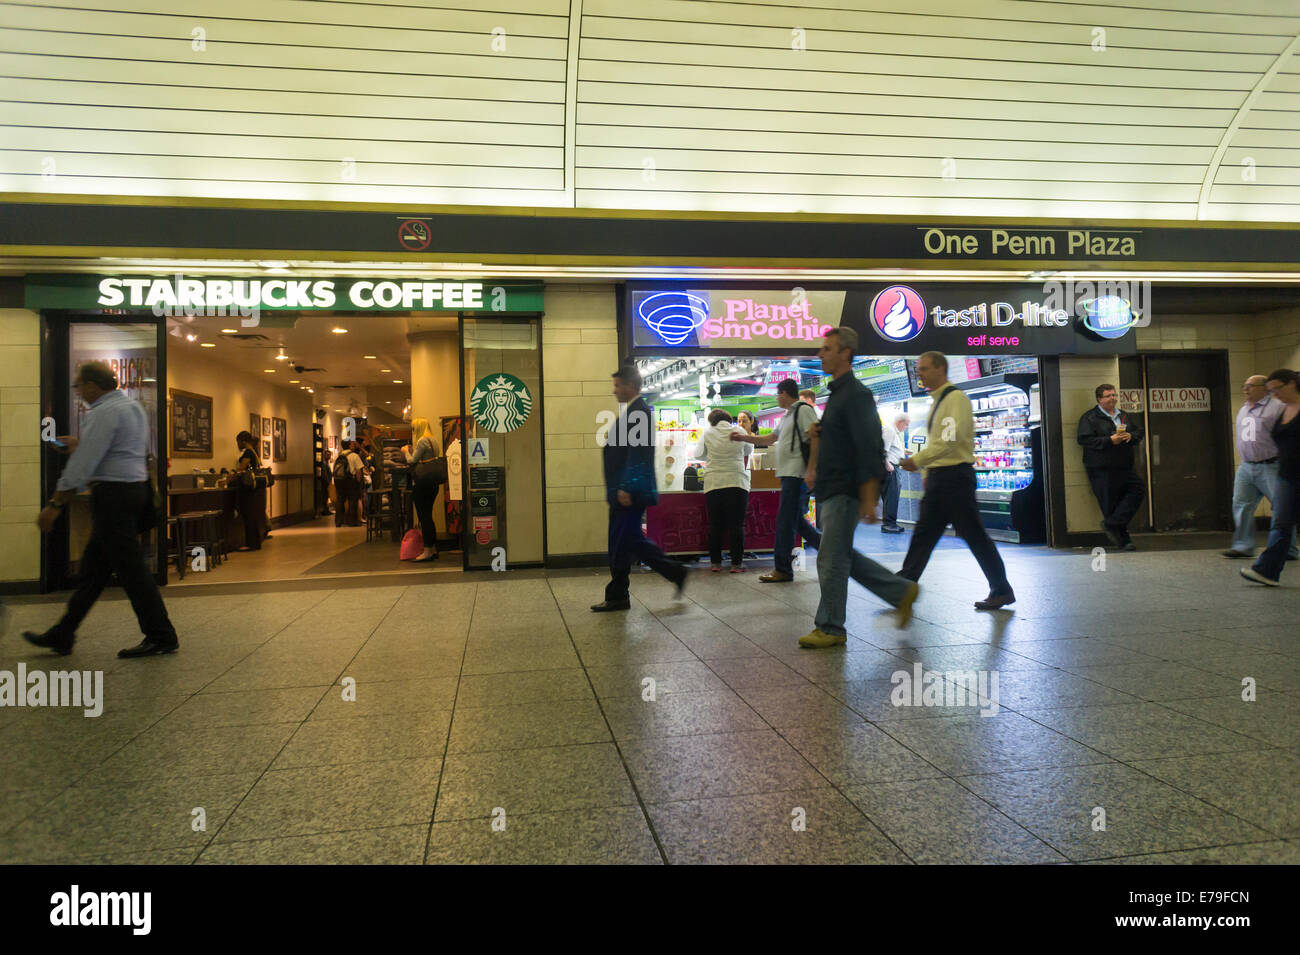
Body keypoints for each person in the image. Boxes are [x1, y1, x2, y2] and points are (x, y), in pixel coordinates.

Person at [24, 360, 179, 658]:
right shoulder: (131, 407)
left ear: (93, 386)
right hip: (134, 491)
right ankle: (63, 633)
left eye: (79, 386)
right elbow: (115, 449)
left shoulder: (104, 412)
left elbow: (84, 465)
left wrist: (55, 504)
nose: (79, 391)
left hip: (114, 496)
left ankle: (161, 635)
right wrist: (80, 445)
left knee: (132, 571)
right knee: (94, 571)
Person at [797, 328, 918, 648]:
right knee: (839, 555)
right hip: (831, 487)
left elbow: (869, 448)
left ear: (845, 353)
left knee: (831, 558)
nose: (820, 354)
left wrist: (868, 498)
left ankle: (831, 626)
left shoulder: (857, 395)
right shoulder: (837, 395)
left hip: (846, 489)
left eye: (827, 348)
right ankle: (901, 591)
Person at [899, 351, 1015, 610]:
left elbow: (949, 442)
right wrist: (929, 474)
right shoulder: (938, 401)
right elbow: (940, 443)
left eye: (925, 368)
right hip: (943, 478)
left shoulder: (955, 399)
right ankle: (903, 586)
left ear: (940, 369)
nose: (920, 373)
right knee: (924, 534)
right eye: (919, 368)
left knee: (972, 534)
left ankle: (1001, 588)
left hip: (954, 479)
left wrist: (919, 461)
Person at [592, 365, 687, 611]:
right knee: (622, 543)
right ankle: (619, 594)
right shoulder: (633, 411)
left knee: (629, 541)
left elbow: (638, 455)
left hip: (629, 493)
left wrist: (625, 487)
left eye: (617, 385)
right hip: (623, 492)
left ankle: (672, 573)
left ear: (630, 386)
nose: (614, 391)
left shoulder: (640, 413)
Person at [730, 378, 820, 582]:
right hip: (788, 474)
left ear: (785, 393)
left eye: (778, 394)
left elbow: (816, 437)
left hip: (797, 474)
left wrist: (811, 470)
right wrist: (744, 438)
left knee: (784, 521)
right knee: (795, 521)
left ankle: (783, 569)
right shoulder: (787, 416)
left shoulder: (803, 410)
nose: (776, 398)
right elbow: (770, 438)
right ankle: (829, 549)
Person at [1224, 374, 1299, 561]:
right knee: (1241, 505)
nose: (1245, 389)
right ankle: (1243, 546)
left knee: (1282, 508)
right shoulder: (1243, 409)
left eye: (1250, 386)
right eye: (1244, 385)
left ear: (1264, 388)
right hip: (1246, 467)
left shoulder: (1277, 408)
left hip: (1271, 465)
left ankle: (1287, 549)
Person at [1241, 369, 1300, 586]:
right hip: (1286, 475)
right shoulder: (1282, 410)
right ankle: (1267, 571)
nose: (1274, 394)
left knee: (1282, 523)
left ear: (1292, 384)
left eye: (1277, 389)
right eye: (1271, 390)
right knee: (1281, 523)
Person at [1077, 383, 1146, 550]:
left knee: (1138, 489)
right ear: (1099, 399)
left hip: (1124, 465)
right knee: (1111, 503)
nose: (1112, 398)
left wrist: (1131, 436)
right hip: (1101, 467)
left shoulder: (1123, 415)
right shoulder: (1089, 418)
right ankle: (1124, 541)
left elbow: (1138, 431)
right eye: (1108, 396)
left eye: (1114, 395)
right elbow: (1084, 440)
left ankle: (1112, 523)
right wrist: (1109, 440)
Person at [693, 408, 751, 572]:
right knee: (737, 525)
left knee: (715, 525)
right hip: (737, 481)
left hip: (714, 483)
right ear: (728, 419)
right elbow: (749, 450)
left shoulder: (708, 432)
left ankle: (715, 564)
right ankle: (736, 565)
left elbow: (698, 454)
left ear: (712, 421)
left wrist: (711, 455)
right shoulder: (738, 430)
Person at [403, 417, 441, 562]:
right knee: (428, 517)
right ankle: (433, 548)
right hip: (432, 483)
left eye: (413, 428)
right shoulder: (433, 440)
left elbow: (412, 460)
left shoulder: (422, 441)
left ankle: (427, 550)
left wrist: (405, 451)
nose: (413, 431)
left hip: (423, 484)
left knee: (424, 517)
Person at [232, 430, 266, 551]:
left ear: (243, 441)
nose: (237, 445)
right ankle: (255, 542)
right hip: (253, 489)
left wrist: (229, 478)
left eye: (238, 442)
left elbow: (242, 469)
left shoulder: (247, 453)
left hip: (246, 489)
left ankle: (250, 543)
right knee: (252, 515)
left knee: (248, 515)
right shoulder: (254, 452)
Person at [880, 414, 909, 533]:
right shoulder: (889, 430)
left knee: (892, 497)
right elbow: (882, 450)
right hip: (890, 468)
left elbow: (892, 448)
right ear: (900, 422)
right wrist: (888, 465)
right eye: (906, 424)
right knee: (891, 497)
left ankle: (890, 523)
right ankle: (889, 525)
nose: (906, 427)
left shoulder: (893, 432)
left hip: (893, 466)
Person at [333, 440, 364, 527]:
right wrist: (358, 482)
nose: (354, 445)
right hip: (351, 481)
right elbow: (358, 471)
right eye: (352, 444)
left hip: (339, 481)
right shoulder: (354, 456)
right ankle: (352, 521)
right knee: (352, 501)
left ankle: (338, 521)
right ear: (350, 445)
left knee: (340, 500)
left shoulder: (339, 456)